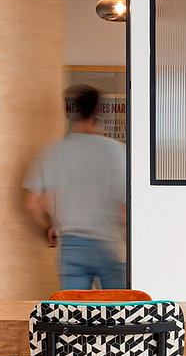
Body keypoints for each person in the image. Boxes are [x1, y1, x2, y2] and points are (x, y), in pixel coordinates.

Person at [24, 84, 127, 291]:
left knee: (73, 315)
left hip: (71, 245)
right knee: (117, 314)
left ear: (69, 114)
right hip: (109, 244)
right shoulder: (116, 152)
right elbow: (123, 208)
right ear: (97, 112)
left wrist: (50, 226)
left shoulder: (53, 152)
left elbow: (33, 204)